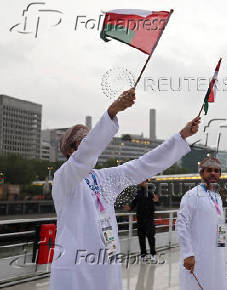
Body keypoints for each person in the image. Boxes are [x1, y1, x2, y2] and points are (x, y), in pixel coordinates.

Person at [49, 88, 200, 290]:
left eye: (91, 138)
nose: (91, 144)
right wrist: (112, 112)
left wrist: (181, 137)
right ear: (69, 149)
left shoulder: (103, 178)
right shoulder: (64, 178)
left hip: (105, 265)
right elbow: (87, 152)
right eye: (84, 141)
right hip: (75, 268)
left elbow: (142, 165)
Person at [176, 156, 227, 290]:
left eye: (216, 171)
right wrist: (188, 253)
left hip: (215, 257)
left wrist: (223, 248)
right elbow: (181, 224)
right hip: (198, 256)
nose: (213, 173)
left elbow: (220, 226)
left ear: (220, 175)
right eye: (209, 170)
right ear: (201, 173)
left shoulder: (217, 197)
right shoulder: (192, 195)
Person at [126, 179, 159, 262]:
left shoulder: (152, 189)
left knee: (151, 236)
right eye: (141, 181)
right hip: (140, 218)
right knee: (141, 237)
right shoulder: (138, 192)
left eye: (144, 181)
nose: (142, 182)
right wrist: (129, 208)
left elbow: (157, 200)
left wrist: (155, 199)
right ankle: (143, 255)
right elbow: (134, 203)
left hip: (149, 218)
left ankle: (153, 254)